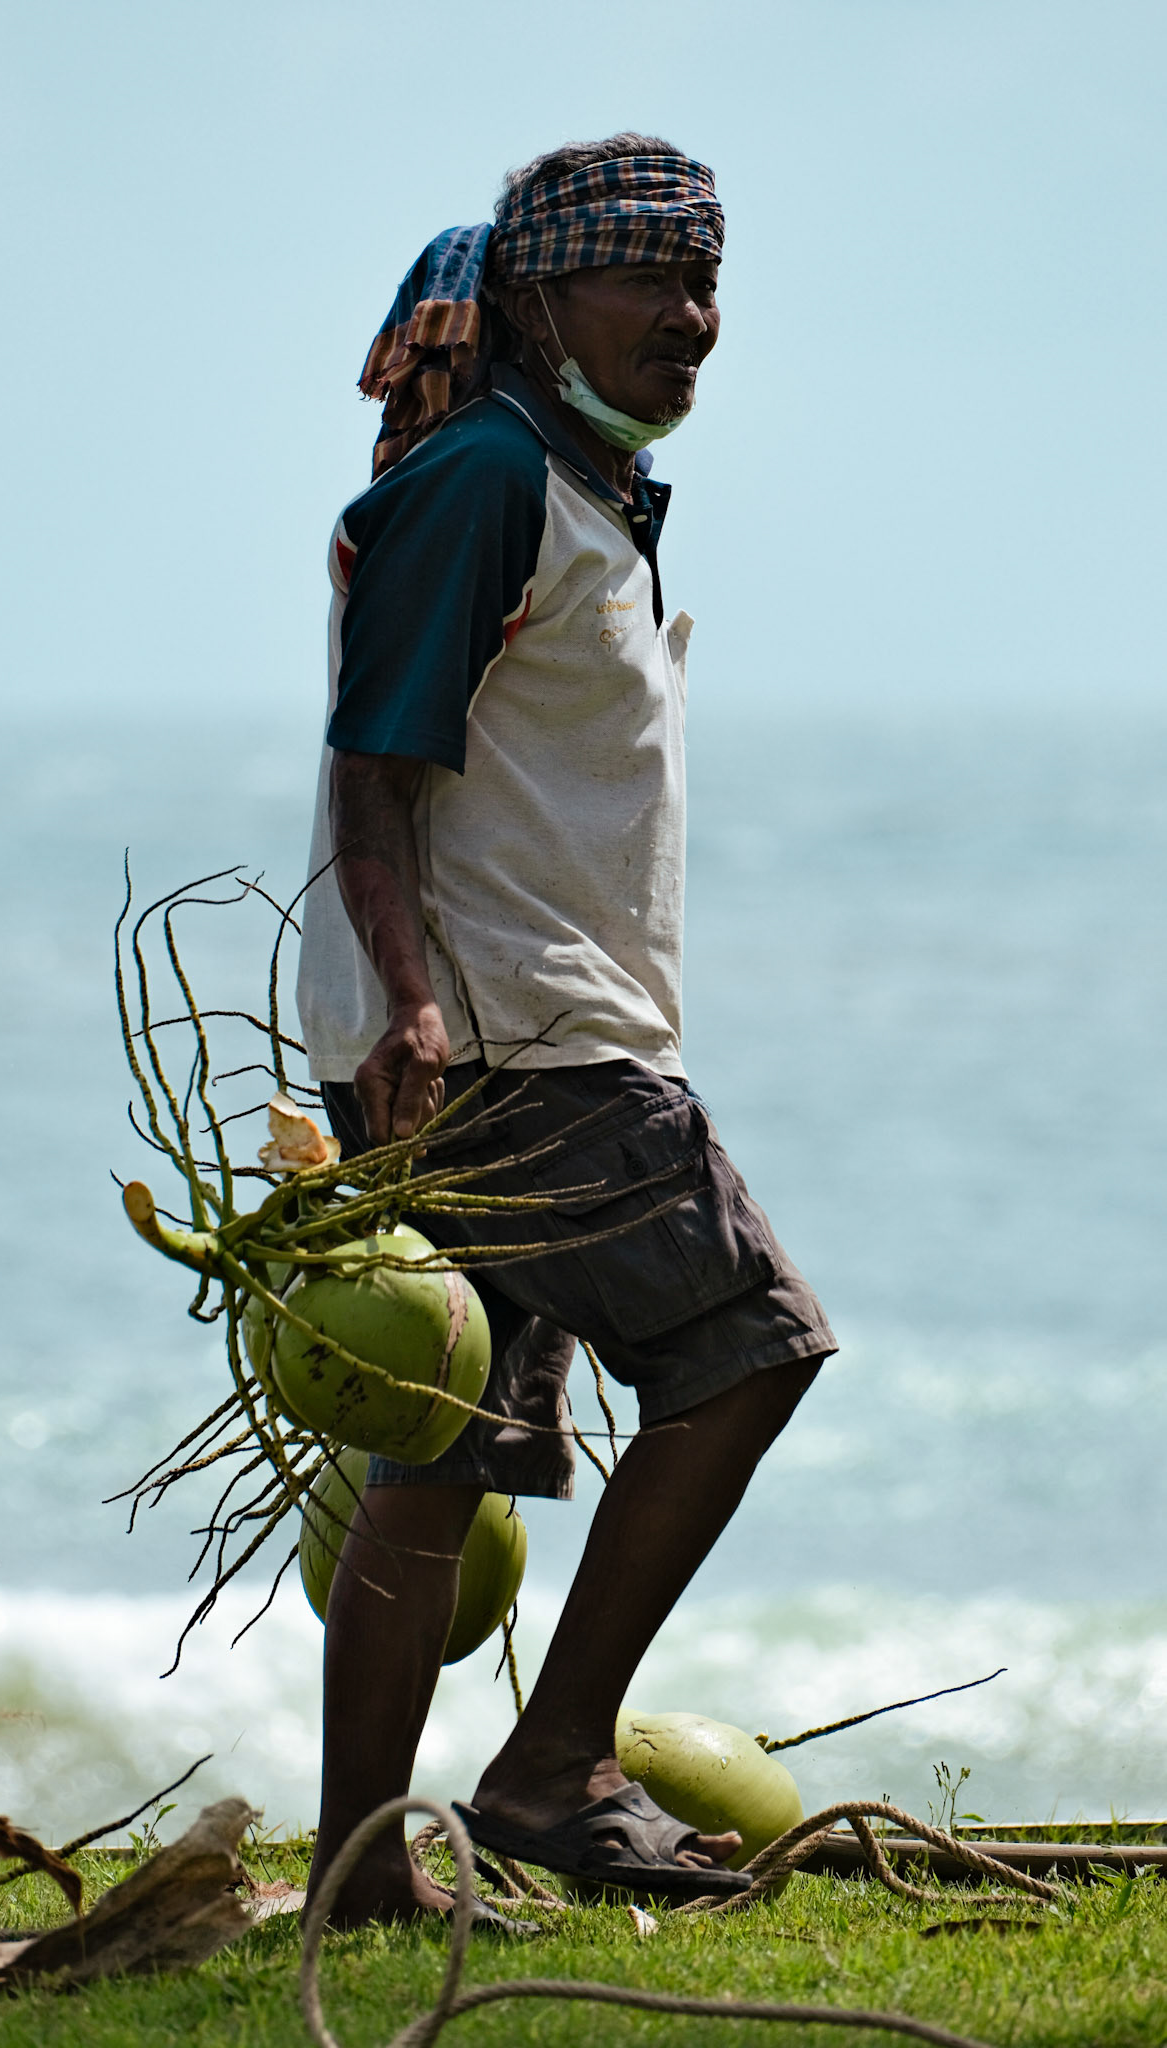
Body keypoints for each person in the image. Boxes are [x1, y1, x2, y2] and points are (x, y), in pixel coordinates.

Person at [294, 134, 837, 1927]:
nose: (690, 320)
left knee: (438, 1451)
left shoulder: (565, 484)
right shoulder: (481, 480)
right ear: (539, 300)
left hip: (473, 1033)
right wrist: (420, 998)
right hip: (513, 1039)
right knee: (749, 1349)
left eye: (706, 289)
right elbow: (376, 782)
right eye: (648, 284)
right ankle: (552, 1771)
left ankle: (361, 1873)